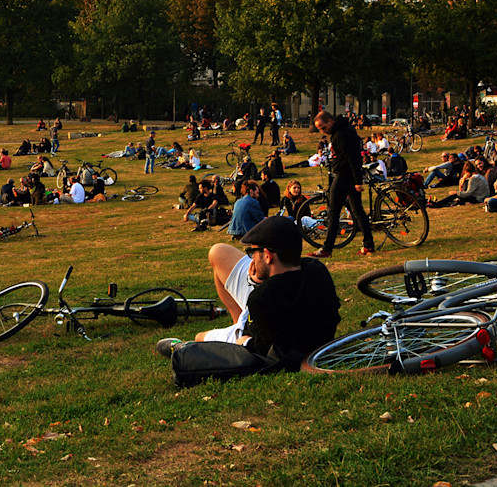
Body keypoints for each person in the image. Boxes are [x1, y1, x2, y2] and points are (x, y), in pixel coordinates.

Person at [157, 217, 341, 372]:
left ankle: (189, 345)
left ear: (267, 256)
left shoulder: (261, 298)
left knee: (199, 337)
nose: (252, 257)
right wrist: (261, 280)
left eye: (253, 252)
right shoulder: (316, 269)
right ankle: (236, 324)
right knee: (218, 252)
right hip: (314, 338)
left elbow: (267, 349)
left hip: (253, 332)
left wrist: (244, 343)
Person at [310, 111, 374, 257]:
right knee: (357, 210)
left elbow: (353, 158)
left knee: (333, 211)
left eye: (322, 127)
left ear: (330, 121)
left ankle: (327, 249)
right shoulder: (343, 130)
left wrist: (358, 181)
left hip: (344, 176)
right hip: (348, 175)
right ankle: (368, 245)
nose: (322, 131)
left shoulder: (341, 134)